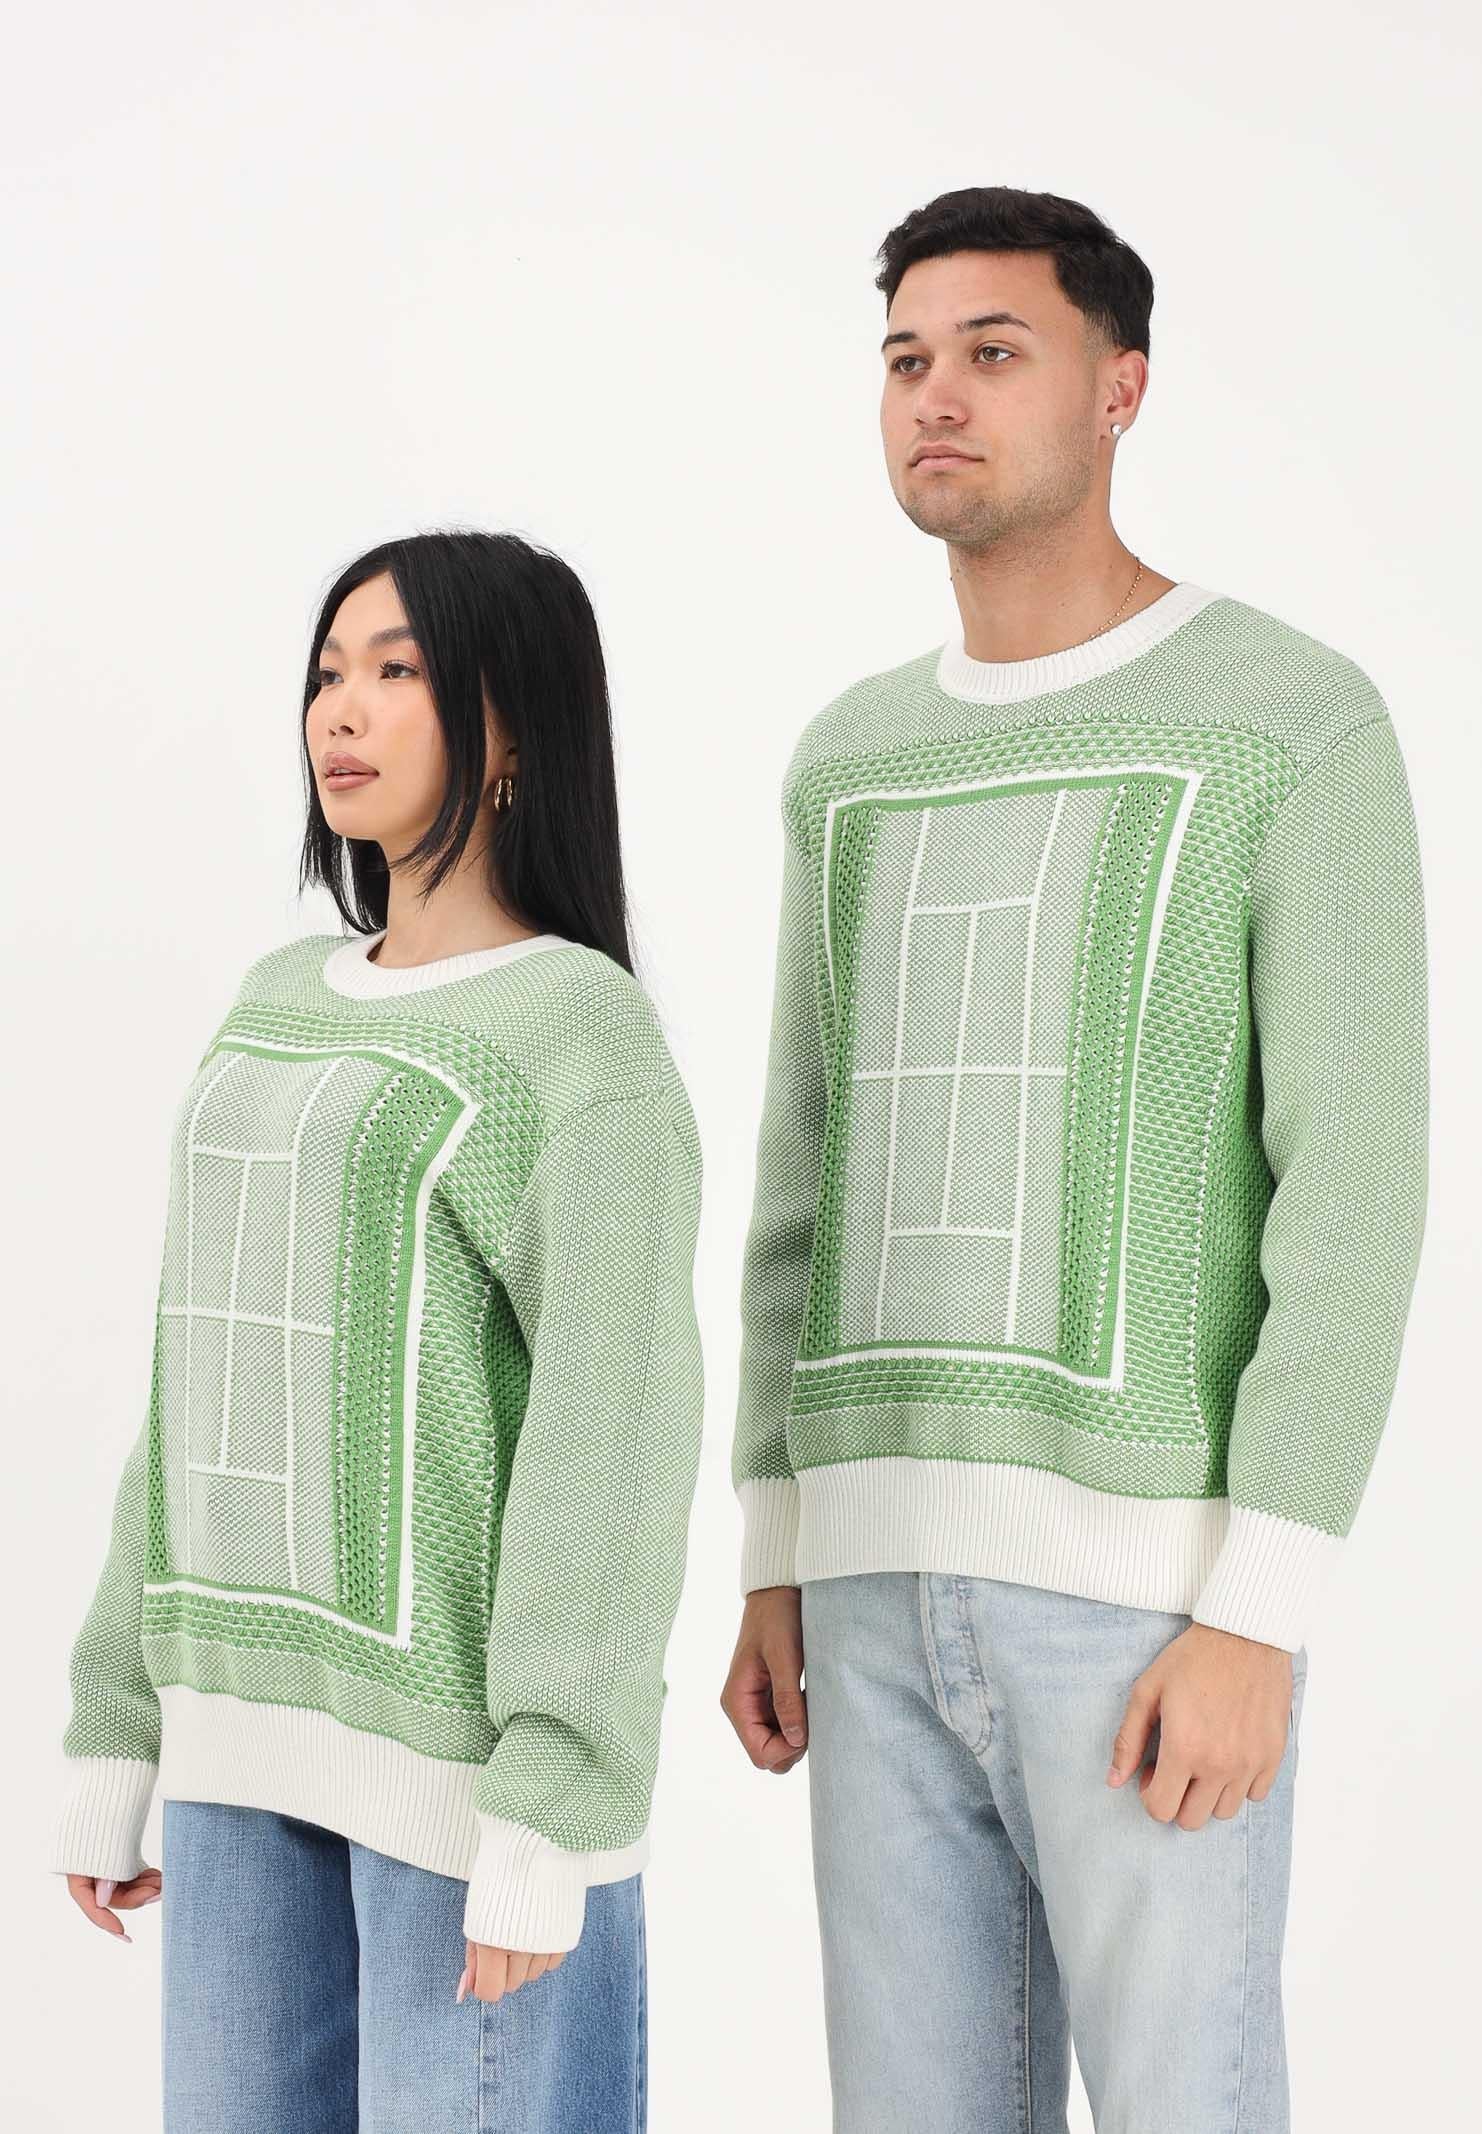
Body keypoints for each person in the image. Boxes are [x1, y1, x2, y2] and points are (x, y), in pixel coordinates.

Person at [720, 186, 1428, 2133]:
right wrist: (777, 1551)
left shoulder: (1287, 723)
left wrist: (1257, 1607)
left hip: (1145, 1605)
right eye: (904, 360)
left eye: (991, 352)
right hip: (866, 1597)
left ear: (1121, 390)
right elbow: (801, 1177)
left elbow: (1352, 1194)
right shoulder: (851, 757)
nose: (934, 397)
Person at [51, 528, 704, 2133]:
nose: (339, 710)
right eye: (329, 671)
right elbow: (195, 1375)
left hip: (461, 1799)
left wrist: (551, 1804)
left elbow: (611, 1437)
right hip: (232, 1762)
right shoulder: (274, 998)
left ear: (512, 728)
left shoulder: (578, 1035)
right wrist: (116, 1719)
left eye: (398, 671)